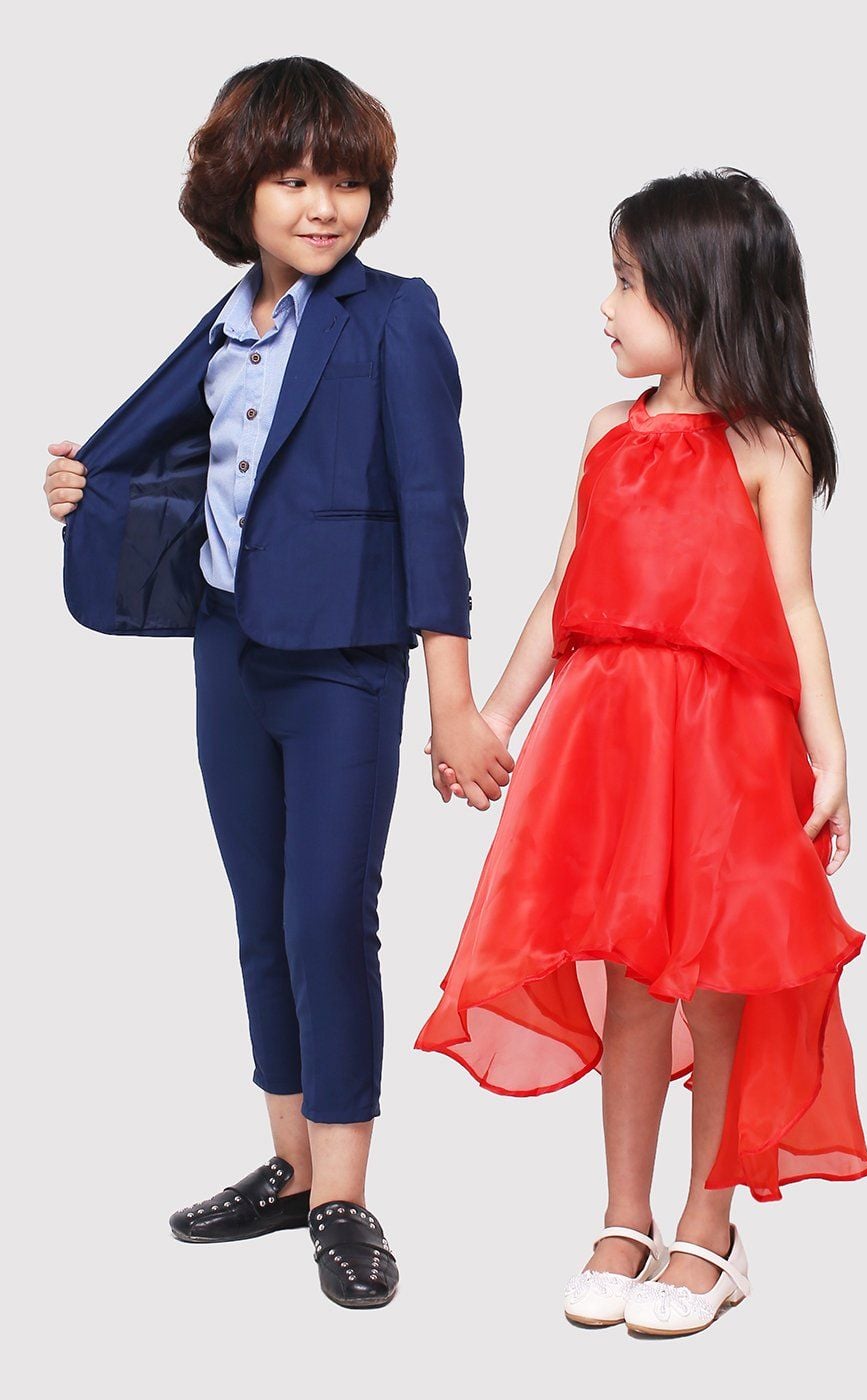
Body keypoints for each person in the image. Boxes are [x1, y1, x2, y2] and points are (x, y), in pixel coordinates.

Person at [43, 56, 512, 1310]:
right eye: (295, 180)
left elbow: (433, 510)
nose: (323, 205)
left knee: (325, 920)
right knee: (260, 918)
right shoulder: (222, 329)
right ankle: (291, 1166)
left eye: (344, 181)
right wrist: (82, 489)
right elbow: (176, 470)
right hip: (229, 652)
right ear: (239, 190)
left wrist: (452, 700)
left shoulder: (392, 317)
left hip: (345, 665)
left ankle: (346, 1198)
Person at [417, 169, 867, 1337]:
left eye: (627, 282)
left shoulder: (767, 447)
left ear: (701, 294)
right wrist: (493, 715)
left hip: (724, 757)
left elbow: (795, 605)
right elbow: (563, 591)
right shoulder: (606, 433)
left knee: (715, 990)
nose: (606, 305)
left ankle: (708, 1224)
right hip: (612, 746)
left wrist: (830, 750)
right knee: (630, 982)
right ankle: (623, 1216)